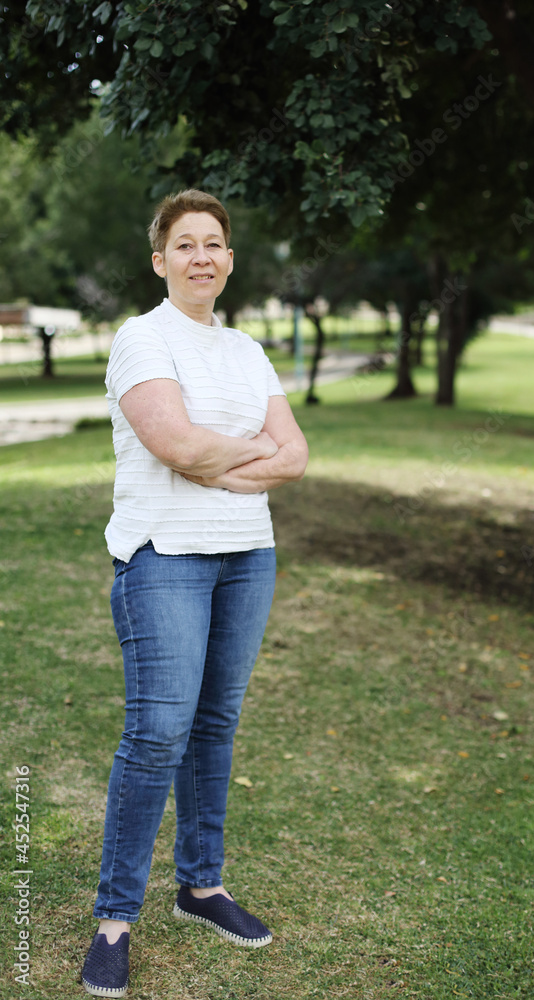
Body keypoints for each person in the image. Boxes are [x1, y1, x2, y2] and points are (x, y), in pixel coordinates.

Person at [81, 189, 308, 998]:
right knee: (156, 735)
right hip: (164, 556)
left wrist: (221, 459)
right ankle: (114, 921)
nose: (201, 256)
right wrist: (244, 454)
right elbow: (173, 446)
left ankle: (201, 886)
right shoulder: (140, 339)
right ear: (160, 259)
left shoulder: (248, 349)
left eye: (214, 243)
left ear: (230, 259)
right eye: (185, 244)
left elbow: (297, 454)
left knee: (215, 724)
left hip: (248, 555)